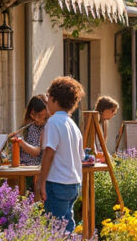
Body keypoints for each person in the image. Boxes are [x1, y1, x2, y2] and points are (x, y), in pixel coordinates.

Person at [36, 77, 85, 233]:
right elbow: (81, 156)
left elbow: (49, 153)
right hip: (74, 183)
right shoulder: (73, 125)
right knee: (67, 227)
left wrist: (41, 182)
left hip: (57, 182)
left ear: (53, 98)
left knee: (54, 230)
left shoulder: (53, 122)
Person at [16, 95, 48, 166]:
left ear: (46, 113)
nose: (35, 119)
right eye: (33, 114)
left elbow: (36, 152)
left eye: (40, 116)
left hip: (34, 169)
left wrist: (20, 142)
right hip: (23, 166)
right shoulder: (28, 126)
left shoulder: (46, 128)